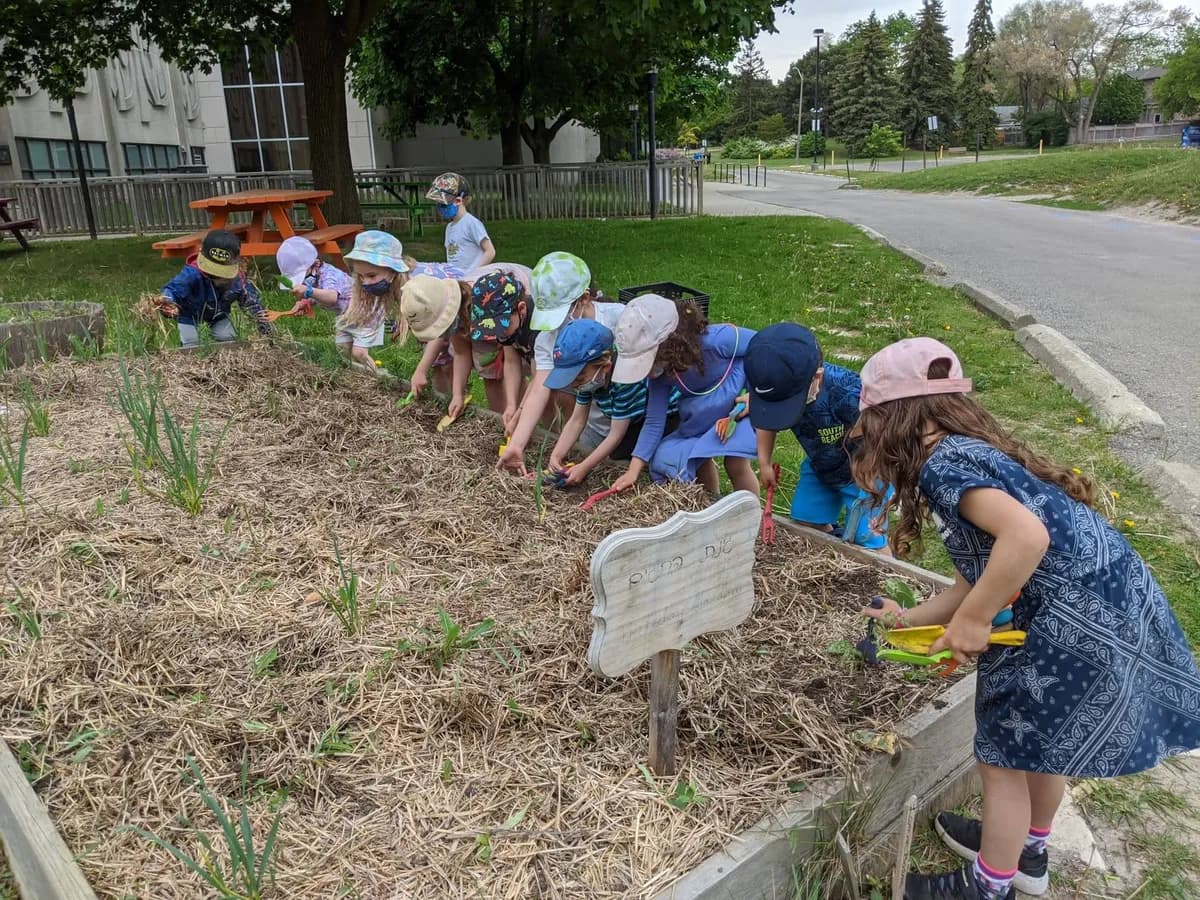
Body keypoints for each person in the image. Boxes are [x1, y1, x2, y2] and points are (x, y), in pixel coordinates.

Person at [855, 337, 1200, 900]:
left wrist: (974, 622)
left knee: (1002, 756)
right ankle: (1028, 853)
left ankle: (990, 886)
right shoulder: (968, 451)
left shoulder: (943, 467)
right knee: (1043, 741)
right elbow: (981, 573)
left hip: (1067, 619)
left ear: (892, 419)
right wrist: (909, 619)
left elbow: (1026, 537)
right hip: (1106, 598)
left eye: (869, 429)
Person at [745, 322, 890, 552]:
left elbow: (882, 432)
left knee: (870, 539)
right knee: (805, 524)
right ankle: (830, 554)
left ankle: (888, 573)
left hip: (865, 472)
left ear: (817, 377)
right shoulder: (775, 385)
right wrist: (764, 463)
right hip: (821, 466)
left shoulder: (849, 393)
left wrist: (871, 470)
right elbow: (766, 423)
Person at [610, 296, 758, 496]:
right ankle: (709, 503)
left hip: (740, 403)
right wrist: (633, 470)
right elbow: (654, 421)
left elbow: (765, 350)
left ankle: (752, 516)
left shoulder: (718, 340)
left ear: (669, 342)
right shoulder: (661, 373)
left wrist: (757, 397)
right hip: (703, 413)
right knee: (679, 456)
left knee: (735, 463)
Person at [496, 252, 625, 475]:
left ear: (583, 300)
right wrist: (517, 444)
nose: (555, 325)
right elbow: (539, 389)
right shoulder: (548, 338)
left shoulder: (619, 320)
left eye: (558, 314)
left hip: (631, 419)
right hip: (591, 423)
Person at [544, 319, 677, 487]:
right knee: (619, 460)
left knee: (660, 464)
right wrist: (557, 454)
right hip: (633, 421)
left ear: (605, 366)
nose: (574, 385)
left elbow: (615, 434)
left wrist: (584, 467)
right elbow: (576, 420)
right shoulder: (589, 380)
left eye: (578, 378)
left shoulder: (624, 380)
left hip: (665, 418)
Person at [397, 275, 507, 417]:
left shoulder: (485, 304)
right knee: (489, 367)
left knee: (494, 370)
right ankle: (505, 419)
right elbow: (462, 353)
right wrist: (457, 395)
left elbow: (513, 359)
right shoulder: (456, 314)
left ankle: (512, 418)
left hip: (502, 317)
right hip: (477, 323)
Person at [158, 229, 271, 347]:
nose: (218, 277)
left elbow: (252, 304)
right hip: (189, 313)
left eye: (222, 273)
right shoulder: (192, 274)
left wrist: (265, 330)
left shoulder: (238, 280)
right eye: (212, 272)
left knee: (229, 340)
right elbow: (173, 289)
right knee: (191, 345)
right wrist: (167, 302)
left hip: (218, 314)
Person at [467, 266, 536, 433]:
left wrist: (521, 411)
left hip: (563, 364)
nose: (499, 335)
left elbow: (538, 378)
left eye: (501, 328)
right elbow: (511, 362)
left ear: (521, 309)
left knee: (555, 399)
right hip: (536, 363)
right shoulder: (509, 328)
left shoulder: (537, 326)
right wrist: (511, 405)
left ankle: (554, 437)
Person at [340, 230, 409, 376]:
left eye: (371, 275)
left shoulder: (414, 289)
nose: (365, 282)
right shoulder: (379, 286)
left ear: (392, 272)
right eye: (361, 276)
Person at [275, 235, 353, 323]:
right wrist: (307, 302)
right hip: (349, 315)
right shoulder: (316, 276)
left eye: (303, 276)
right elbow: (320, 292)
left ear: (316, 264)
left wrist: (309, 291)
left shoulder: (330, 275)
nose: (302, 282)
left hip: (366, 311)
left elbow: (332, 297)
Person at [426, 172, 495, 272]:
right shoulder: (449, 228)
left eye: (444, 202)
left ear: (458, 200)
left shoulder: (471, 224)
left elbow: (490, 251)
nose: (440, 206)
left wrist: (473, 272)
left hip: (472, 280)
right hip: (457, 280)